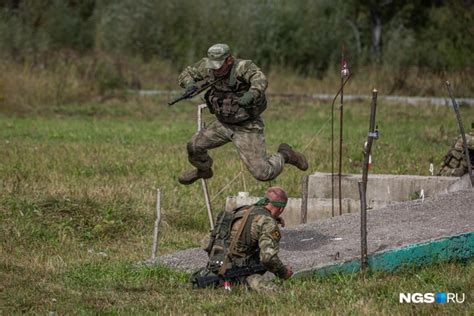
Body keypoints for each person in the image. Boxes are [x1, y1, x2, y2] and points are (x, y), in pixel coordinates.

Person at [176, 43, 308, 185]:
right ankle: (204, 170)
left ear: (229, 60)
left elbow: (260, 79)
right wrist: (189, 84)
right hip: (223, 123)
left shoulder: (242, 67)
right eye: (213, 65)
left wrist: (251, 94)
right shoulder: (206, 66)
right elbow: (186, 74)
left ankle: (285, 154)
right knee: (194, 146)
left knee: (263, 173)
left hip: (247, 126)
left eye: (219, 65)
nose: (216, 69)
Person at [190, 186, 293, 291]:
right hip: (240, 272)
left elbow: (206, 243)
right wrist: (284, 272)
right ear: (281, 209)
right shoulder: (267, 222)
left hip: (213, 268)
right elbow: (268, 258)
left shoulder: (242, 210)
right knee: (277, 291)